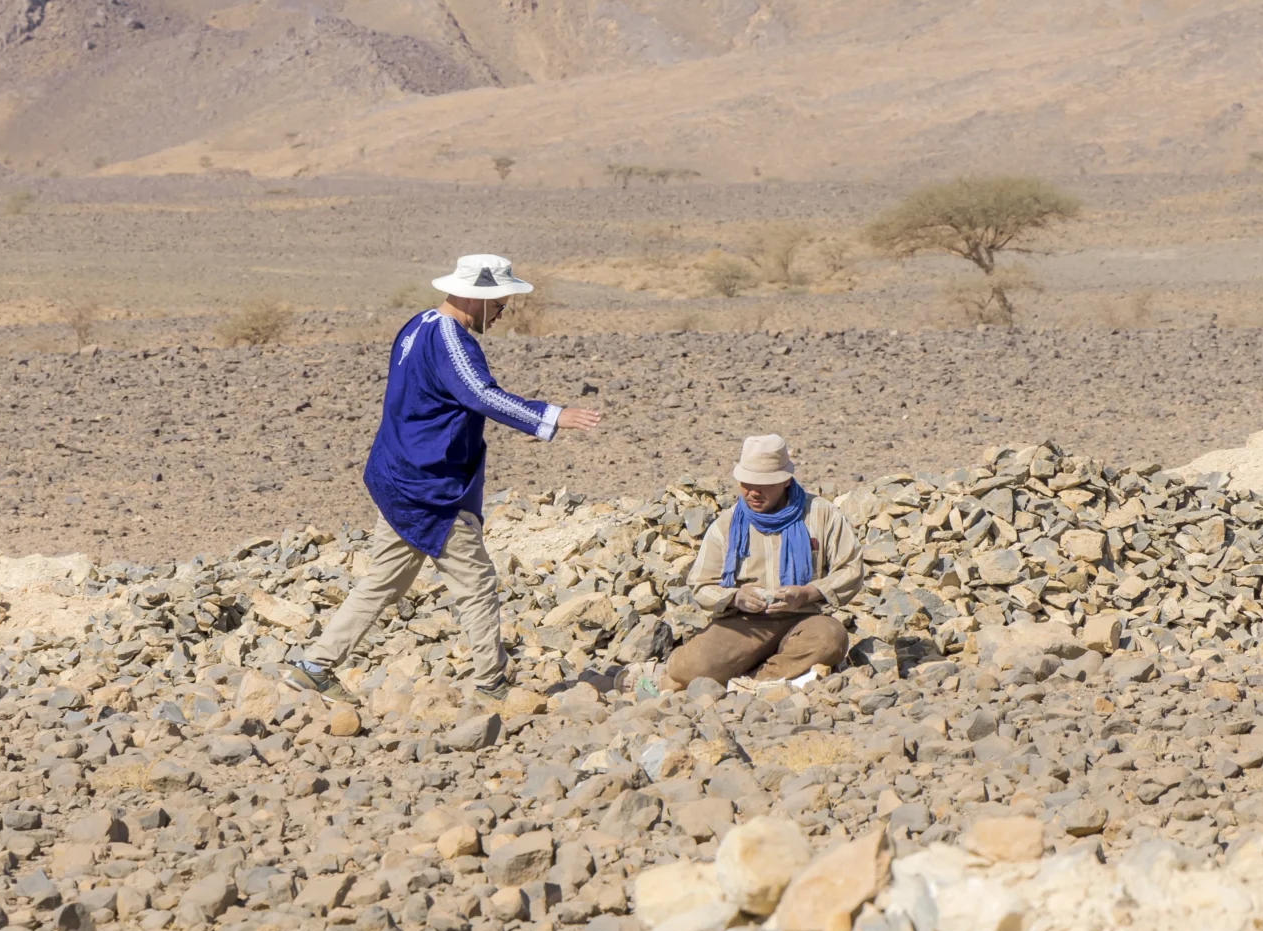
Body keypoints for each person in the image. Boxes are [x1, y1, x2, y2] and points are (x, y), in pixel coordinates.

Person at [285, 253, 599, 702]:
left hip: (396, 474)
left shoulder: (418, 325)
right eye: (499, 300)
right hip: (429, 486)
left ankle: (314, 665)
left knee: (384, 580)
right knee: (476, 584)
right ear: (477, 297)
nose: (505, 308)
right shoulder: (452, 341)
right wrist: (551, 416)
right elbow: (480, 395)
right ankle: (492, 683)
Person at [648, 434, 862, 694]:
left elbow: (851, 569)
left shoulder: (820, 514)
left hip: (804, 617)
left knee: (832, 639)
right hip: (745, 623)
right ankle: (770, 681)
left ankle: (745, 684)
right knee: (689, 667)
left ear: (785, 481)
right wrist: (736, 597)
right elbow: (700, 586)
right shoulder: (726, 526)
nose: (753, 493)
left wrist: (808, 593)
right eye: (746, 484)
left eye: (764, 485)